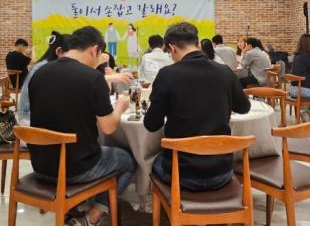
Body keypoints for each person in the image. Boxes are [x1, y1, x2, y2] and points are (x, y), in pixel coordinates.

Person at [28, 26, 135, 226]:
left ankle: (74, 207)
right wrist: (121, 107)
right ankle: (93, 216)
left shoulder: (40, 72)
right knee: (127, 160)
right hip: (76, 169)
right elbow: (108, 128)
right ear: (94, 50)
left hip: (40, 165)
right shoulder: (92, 78)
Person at [145, 22, 251, 191]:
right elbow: (244, 108)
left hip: (182, 175)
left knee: (152, 159)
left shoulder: (167, 74)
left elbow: (151, 124)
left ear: (172, 48)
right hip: (221, 172)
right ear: (198, 44)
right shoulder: (224, 71)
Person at [17, 32, 70, 125]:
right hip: (30, 120)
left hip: (27, 115)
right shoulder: (47, 68)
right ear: (59, 51)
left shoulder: (44, 64)